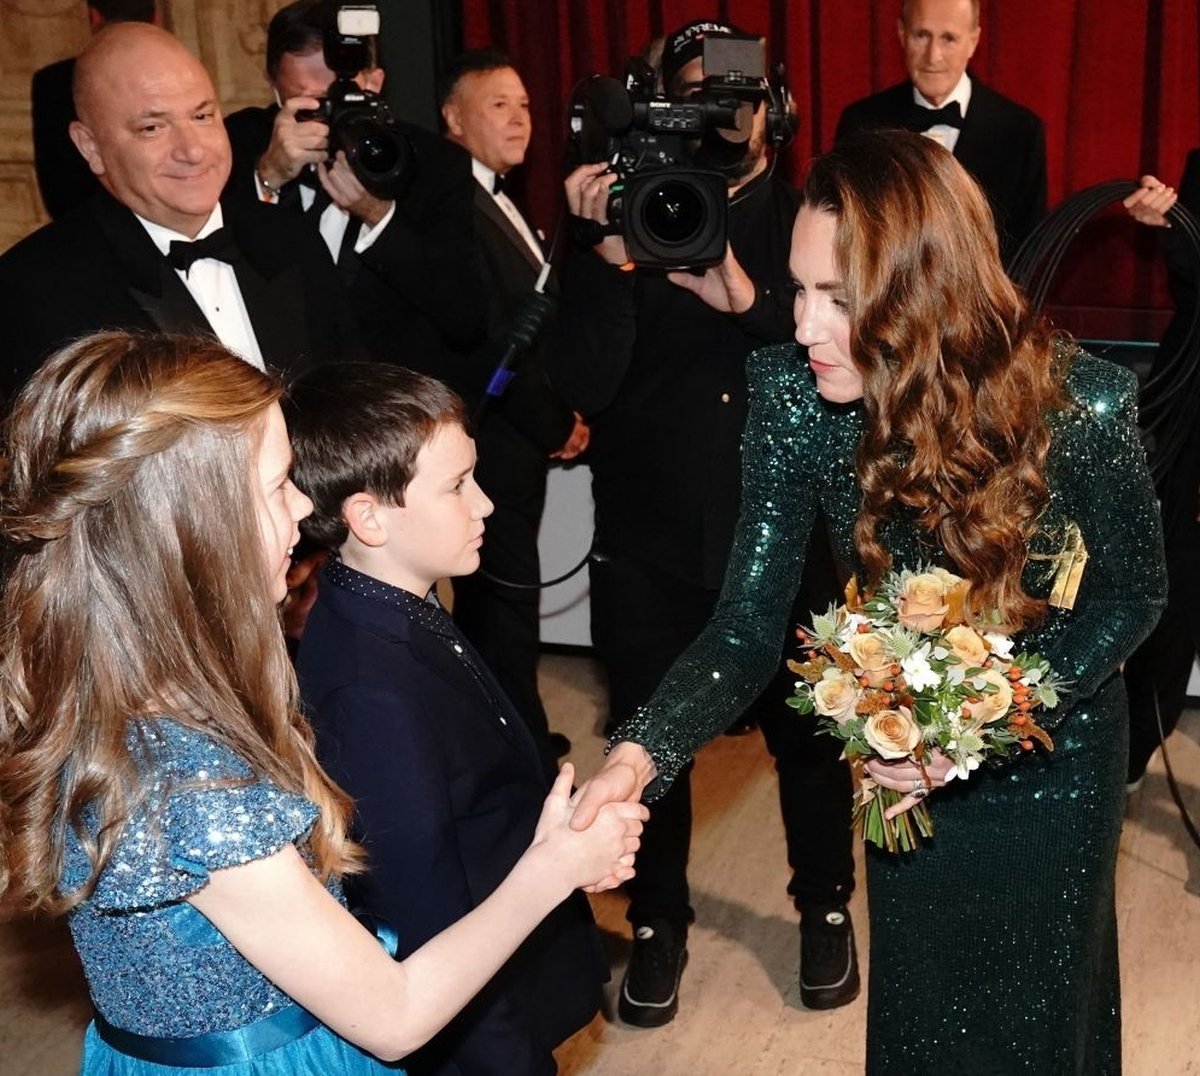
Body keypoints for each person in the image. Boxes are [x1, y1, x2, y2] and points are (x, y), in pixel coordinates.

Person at [575, 131, 1166, 1071]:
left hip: (1052, 762)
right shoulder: (792, 399)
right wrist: (641, 753)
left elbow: (1132, 596)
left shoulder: (1078, 406)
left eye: (839, 300)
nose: (803, 325)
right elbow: (745, 627)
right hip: (902, 768)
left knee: (1042, 1020)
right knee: (923, 1014)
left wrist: (988, 723)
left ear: (923, 295)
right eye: (799, 287)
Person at [0, 330, 645, 1074]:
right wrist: (554, 865)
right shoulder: (189, 780)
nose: (308, 505)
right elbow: (396, 1016)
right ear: (191, 527)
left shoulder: (133, 680)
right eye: (278, 486)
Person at [553, 18, 856, 1026]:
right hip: (647, 536)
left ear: (778, 108)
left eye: (741, 98)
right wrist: (599, 255)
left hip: (791, 533)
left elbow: (860, 357)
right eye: (697, 99)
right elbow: (581, 385)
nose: (724, 119)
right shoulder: (624, 215)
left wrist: (745, 295)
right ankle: (656, 919)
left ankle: (824, 905)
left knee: (810, 741)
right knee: (652, 736)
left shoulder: (819, 219)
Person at [286, 362, 605, 1074]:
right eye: (458, 486)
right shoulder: (372, 692)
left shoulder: (397, 600)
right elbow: (424, 912)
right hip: (478, 1017)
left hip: (514, 955)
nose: (485, 504)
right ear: (368, 516)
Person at [2, 22, 356, 398]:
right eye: (153, 128)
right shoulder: (34, 288)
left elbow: (352, 409)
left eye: (202, 117)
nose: (192, 151)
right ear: (90, 146)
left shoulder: (292, 239)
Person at [440, 47, 585, 765]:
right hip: (496, 445)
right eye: (499, 103)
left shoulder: (499, 198)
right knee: (504, 604)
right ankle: (515, 741)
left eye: (525, 105)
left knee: (502, 602)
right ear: (453, 119)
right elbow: (498, 346)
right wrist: (557, 424)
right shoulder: (459, 208)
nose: (519, 118)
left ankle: (509, 728)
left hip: (515, 446)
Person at [222, 0, 486, 379]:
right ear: (274, 88)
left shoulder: (433, 163)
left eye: (340, 100)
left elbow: (466, 319)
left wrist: (378, 216)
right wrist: (267, 178)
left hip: (393, 401)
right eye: (307, 102)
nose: (328, 117)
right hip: (274, 389)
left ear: (375, 84)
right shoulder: (237, 145)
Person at [835, 0, 1047, 265]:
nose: (933, 55)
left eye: (949, 38)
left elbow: (1029, 256)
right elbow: (847, 238)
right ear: (901, 34)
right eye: (921, 35)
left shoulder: (1020, 133)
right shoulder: (861, 124)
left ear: (973, 41)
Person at [1122, 169, 1200, 787]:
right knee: (1173, 570)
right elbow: (1191, 282)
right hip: (1192, 407)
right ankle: (1140, 739)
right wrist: (1172, 228)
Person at [30, 0, 157, 220]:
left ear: (93, 15)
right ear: (155, 18)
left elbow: (53, 176)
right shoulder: (176, 73)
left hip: (83, 225)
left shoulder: (54, 81)